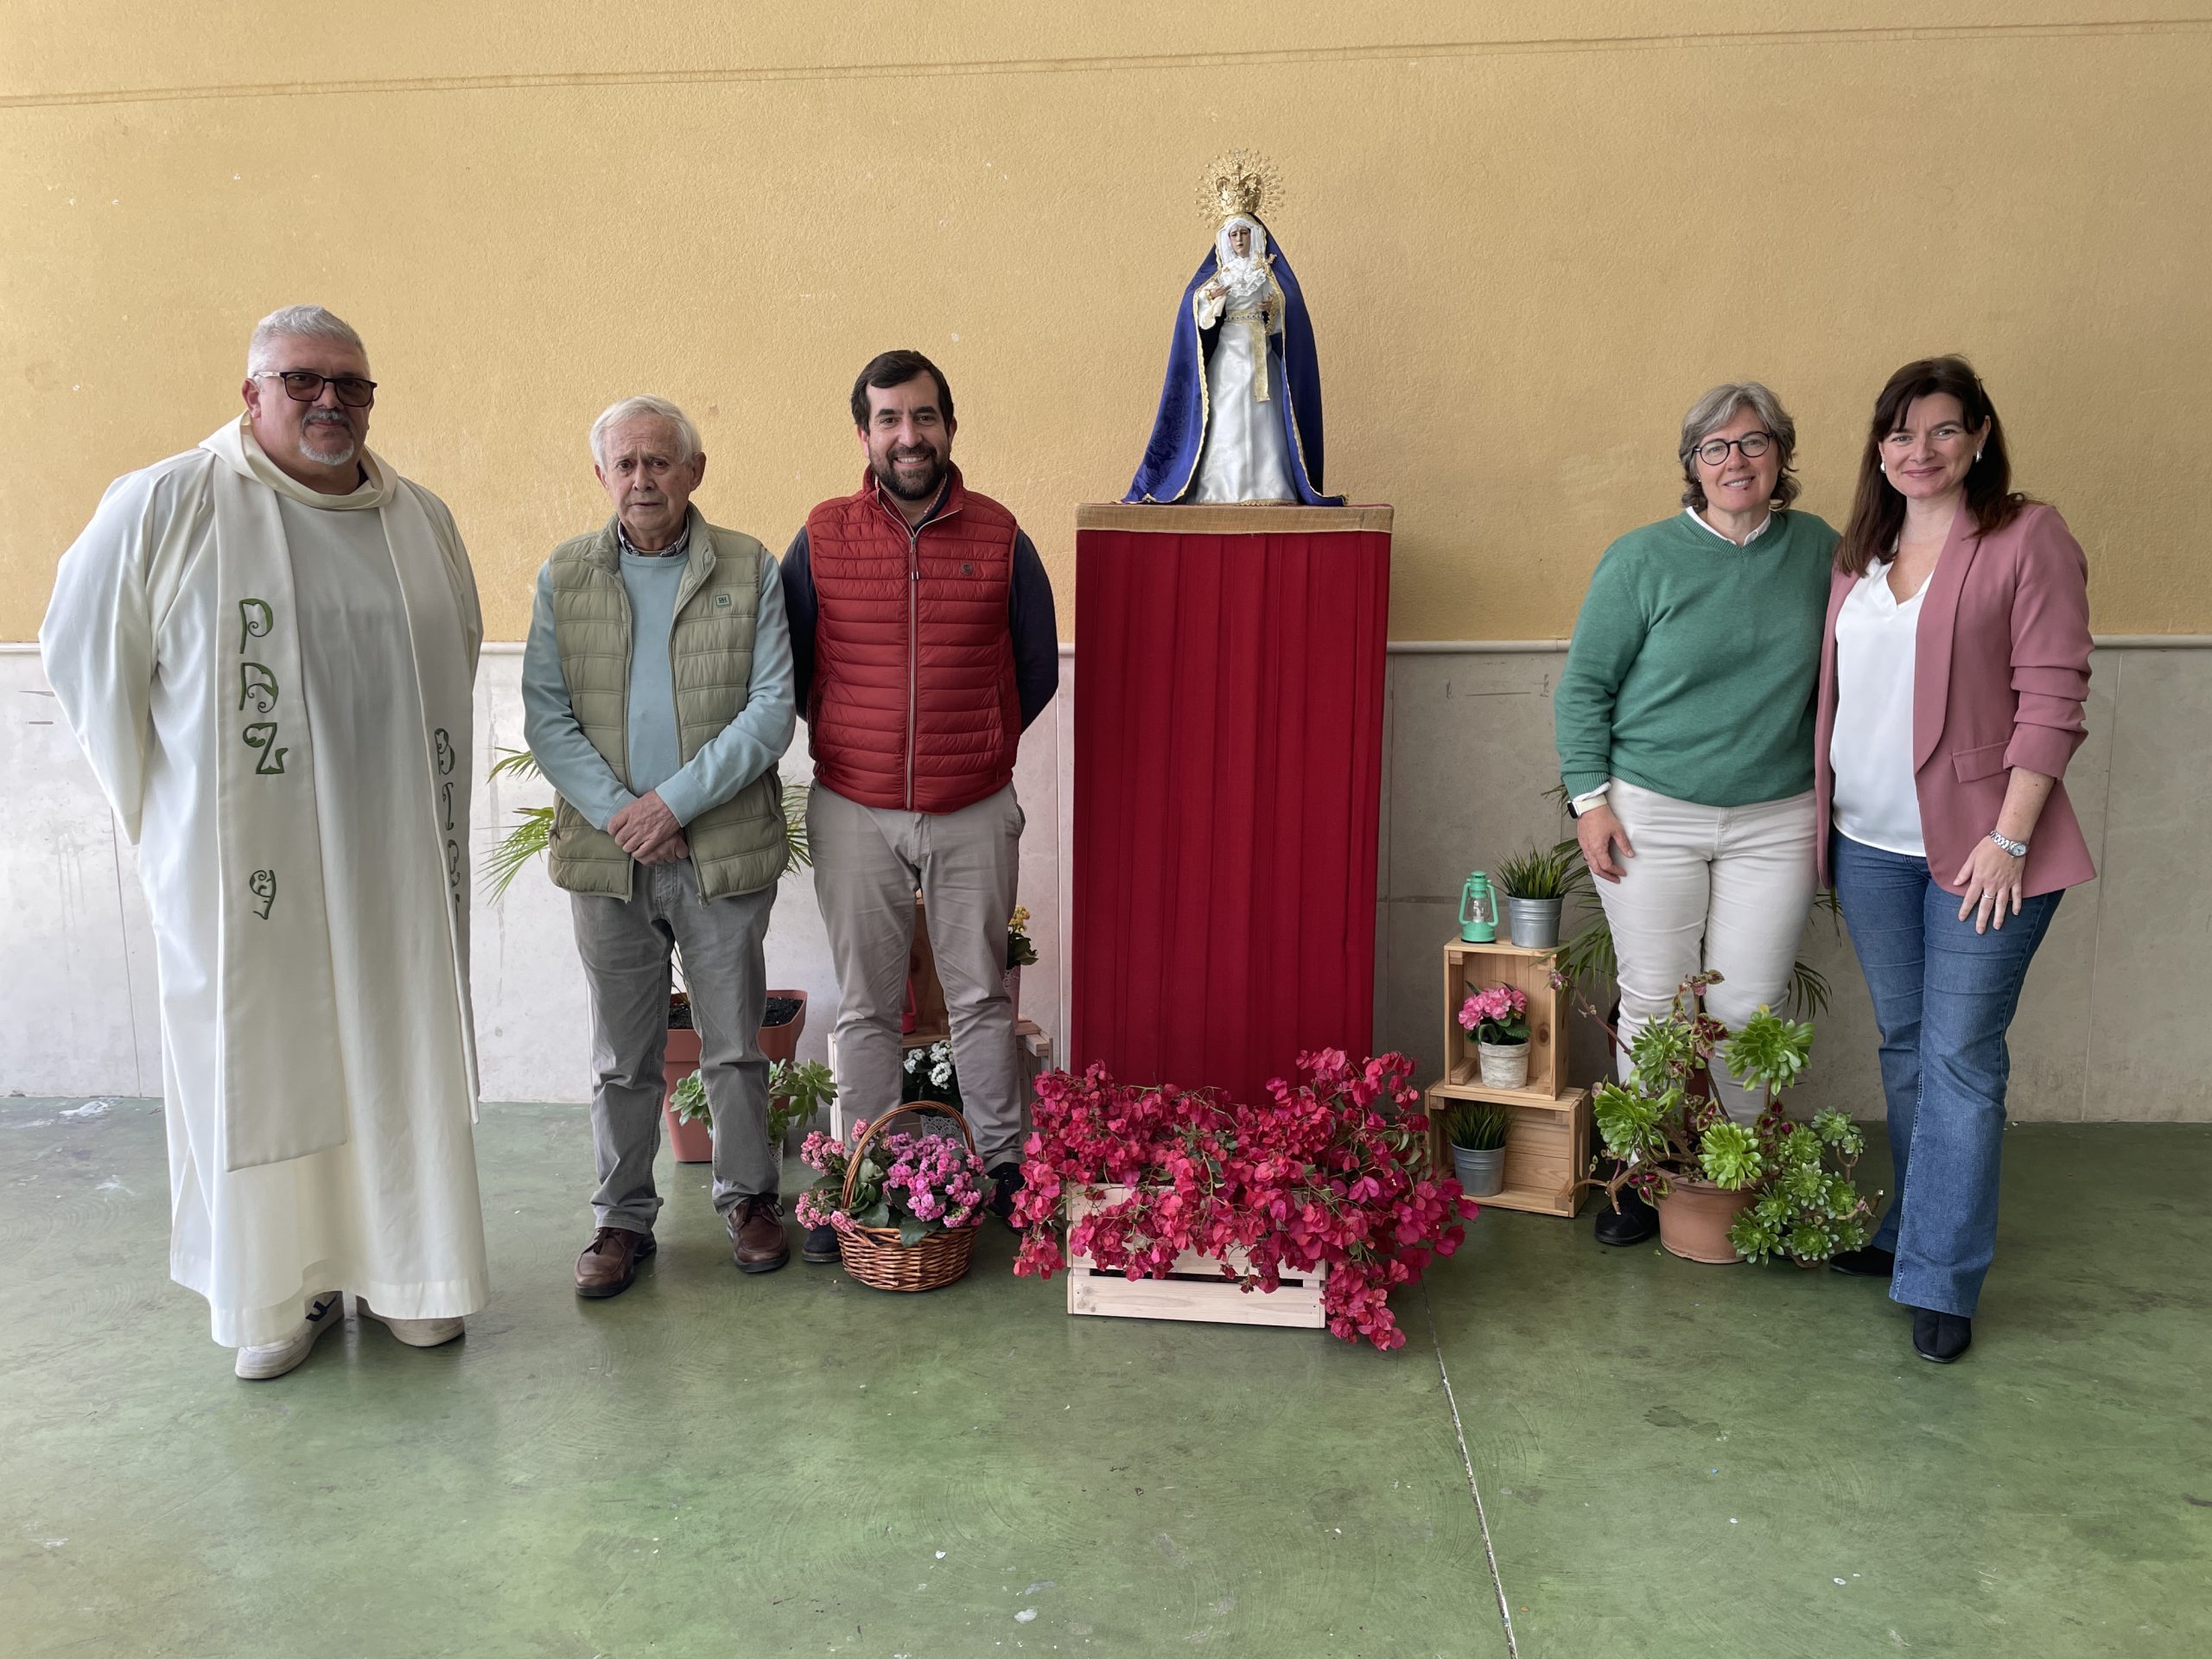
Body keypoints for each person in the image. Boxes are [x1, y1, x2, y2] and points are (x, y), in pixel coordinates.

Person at [40, 304, 489, 1379]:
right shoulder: (171, 503)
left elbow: (461, 648)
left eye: (351, 384)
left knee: (399, 1045)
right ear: (252, 394)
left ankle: (409, 1274)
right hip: (247, 867)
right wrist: (167, 809)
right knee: (263, 1059)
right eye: (302, 380)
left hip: (394, 858)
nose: (330, 400)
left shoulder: (418, 519)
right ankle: (280, 1295)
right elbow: (84, 651)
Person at [1815, 357, 2093, 1365]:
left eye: (1941, 429)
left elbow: (2053, 699)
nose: (1917, 450)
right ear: (1878, 450)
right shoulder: (1859, 554)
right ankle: (1909, 1231)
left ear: (1978, 436)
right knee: (1905, 1045)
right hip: (1868, 846)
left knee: (1960, 1058)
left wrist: (2009, 839)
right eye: (1899, 433)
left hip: (1983, 852)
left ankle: (1940, 1278)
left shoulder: (2026, 537)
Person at [781, 350, 1059, 1262]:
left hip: (971, 802)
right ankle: (860, 1177)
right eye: (890, 419)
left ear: (949, 426)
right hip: (853, 804)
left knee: (979, 998)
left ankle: (1005, 1169)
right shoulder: (822, 536)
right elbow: (791, 662)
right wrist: (855, 740)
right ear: (864, 434)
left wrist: (978, 745)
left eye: (925, 416)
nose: (909, 436)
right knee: (867, 1006)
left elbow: (1034, 666)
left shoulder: (1001, 535)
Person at [522, 396, 797, 1294]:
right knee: (623, 1055)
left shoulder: (749, 566)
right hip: (610, 859)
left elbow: (771, 710)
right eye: (626, 464)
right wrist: (624, 816)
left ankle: (749, 1200)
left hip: (718, 851)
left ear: (694, 471)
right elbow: (548, 719)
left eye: (659, 462)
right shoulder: (565, 575)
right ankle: (620, 1220)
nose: (642, 479)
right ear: (602, 476)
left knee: (734, 1046)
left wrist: (672, 806)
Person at [1554, 382, 1840, 1246]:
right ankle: (1637, 1178)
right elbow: (1584, 688)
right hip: (1651, 811)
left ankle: (1731, 1174)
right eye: (1715, 448)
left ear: (1781, 454)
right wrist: (1590, 802)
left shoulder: (1820, 551)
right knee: (1655, 1001)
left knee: (1749, 1008)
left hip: (1776, 818)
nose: (1735, 461)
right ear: (1692, 465)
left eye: (1753, 442)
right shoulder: (1641, 559)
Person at [1122, 184, 1341, 505]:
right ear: (1225, 239)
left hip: (1260, 352)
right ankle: (1220, 488)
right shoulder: (1219, 276)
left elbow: (1289, 312)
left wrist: (1275, 309)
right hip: (1229, 351)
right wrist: (1212, 300)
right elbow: (1198, 314)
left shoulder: (1267, 272)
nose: (1239, 240)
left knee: (1265, 415)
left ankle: (1269, 486)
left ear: (1255, 235)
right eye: (1233, 235)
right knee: (1227, 411)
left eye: (1244, 233)